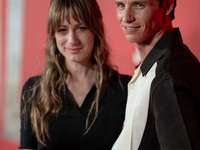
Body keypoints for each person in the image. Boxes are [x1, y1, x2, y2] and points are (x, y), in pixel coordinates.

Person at [19, 0, 131, 149]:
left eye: (81, 28)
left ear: (96, 29)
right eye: (62, 30)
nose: (72, 40)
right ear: (54, 34)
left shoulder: (125, 89)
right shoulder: (33, 90)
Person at [112, 0, 200, 149]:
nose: (126, 17)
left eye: (138, 5)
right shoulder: (154, 67)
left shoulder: (167, 77)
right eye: (121, 5)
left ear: (166, 6)